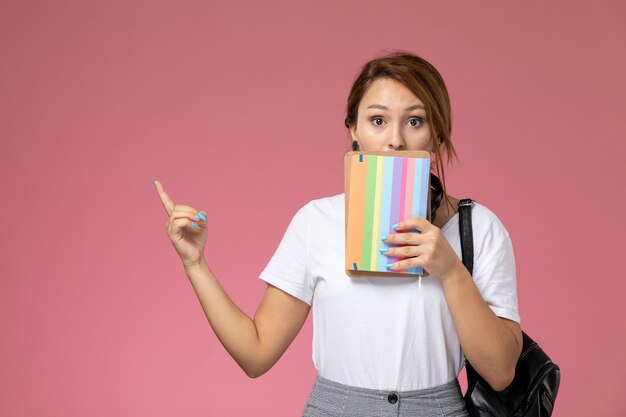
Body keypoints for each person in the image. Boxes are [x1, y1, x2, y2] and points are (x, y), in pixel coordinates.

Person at [154, 51, 523, 417]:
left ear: (437, 133)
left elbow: (501, 372)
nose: (395, 139)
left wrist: (450, 269)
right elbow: (256, 353)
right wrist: (195, 264)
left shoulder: (478, 228)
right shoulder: (316, 221)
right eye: (378, 120)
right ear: (354, 130)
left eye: (414, 121)